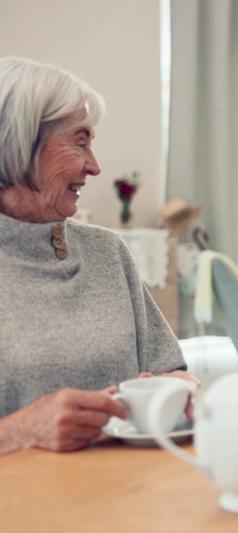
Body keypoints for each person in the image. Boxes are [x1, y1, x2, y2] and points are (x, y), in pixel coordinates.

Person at [0, 57, 188, 455]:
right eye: (80, 142)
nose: (95, 166)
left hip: (128, 494)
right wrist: (22, 430)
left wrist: (179, 389)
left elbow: (167, 368)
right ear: (20, 144)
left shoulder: (108, 253)